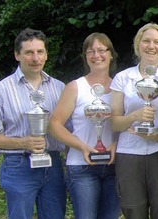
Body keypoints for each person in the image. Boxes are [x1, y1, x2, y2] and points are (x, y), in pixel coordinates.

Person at [0, 28, 67, 218]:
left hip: (53, 164)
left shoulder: (60, 88)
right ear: (17, 55)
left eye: (40, 52)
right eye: (29, 52)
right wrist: (24, 142)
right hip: (18, 165)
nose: (35, 58)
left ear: (46, 54)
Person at [109, 23, 158, 219]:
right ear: (137, 45)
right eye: (146, 41)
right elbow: (113, 123)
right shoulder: (123, 78)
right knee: (133, 210)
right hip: (129, 153)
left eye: (157, 42)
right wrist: (134, 116)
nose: (151, 46)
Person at [48, 32, 121, 219]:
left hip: (114, 166)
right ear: (86, 57)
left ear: (111, 54)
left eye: (101, 50)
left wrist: (116, 145)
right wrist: (82, 146)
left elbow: (124, 124)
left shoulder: (120, 87)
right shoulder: (75, 87)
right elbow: (54, 124)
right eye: (91, 51)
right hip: (82, 166)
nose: (96, 55)